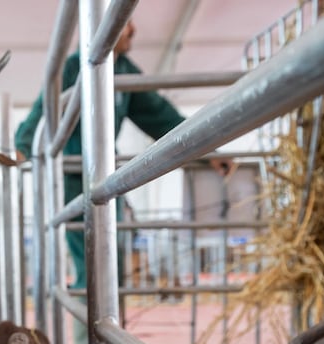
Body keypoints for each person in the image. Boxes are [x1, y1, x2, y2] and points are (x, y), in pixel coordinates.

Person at [14, 21, 232, 292]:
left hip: (108, 175)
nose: (132, 29)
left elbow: (161, 117)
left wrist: (207, 149)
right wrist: (22, 148)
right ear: (102, 23)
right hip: (73, 177)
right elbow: (41, 114)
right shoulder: (74, 67)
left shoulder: (124, 70)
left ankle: (109, 328)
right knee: (91, 262)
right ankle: (89, 331)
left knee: (111, 260)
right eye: (125, 20)